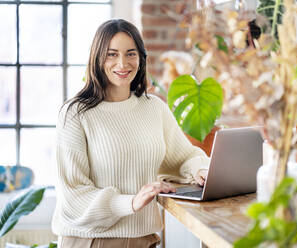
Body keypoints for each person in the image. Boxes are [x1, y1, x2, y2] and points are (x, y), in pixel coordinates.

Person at [52, 19, 210, 248]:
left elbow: (184, 157)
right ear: (97, 58)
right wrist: (131, 202)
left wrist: (200, 170)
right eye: (112, 54)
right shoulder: (75, 113)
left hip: (144, 239)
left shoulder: (154, 108)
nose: (122, 63)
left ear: (141, 58)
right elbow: (73, 197)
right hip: (92, 241)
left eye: (131, 54)